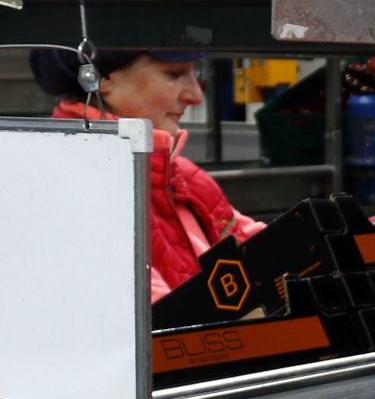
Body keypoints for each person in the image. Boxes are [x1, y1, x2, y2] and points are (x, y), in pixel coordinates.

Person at [30, 48, 261, 300]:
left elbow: (264, 254)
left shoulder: (183, 175)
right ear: (101, 79)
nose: (196, 96)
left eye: (194, 73)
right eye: (174, 74)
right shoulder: (71, 189)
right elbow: (154, 323)